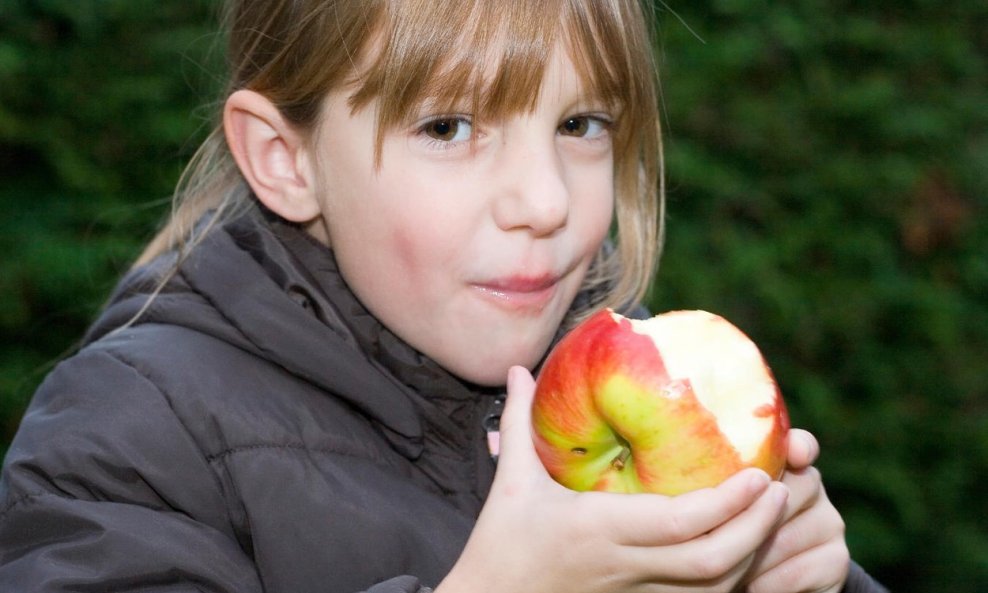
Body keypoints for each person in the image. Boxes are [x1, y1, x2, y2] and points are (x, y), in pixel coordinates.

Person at [0, 1, 888, 592]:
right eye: (449, 127)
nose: (544, 201)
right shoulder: (126, 440)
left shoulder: (633, 370)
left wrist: (806, 574)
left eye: (582, 125)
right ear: (285, 157)